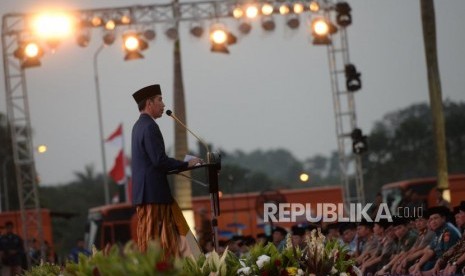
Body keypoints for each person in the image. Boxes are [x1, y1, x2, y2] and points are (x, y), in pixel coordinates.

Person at [131, 84, 202, 258]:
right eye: (160, 100)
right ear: (149, 103)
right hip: (154, 196)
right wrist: (187, 164)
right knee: (156, 245)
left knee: (157, 241)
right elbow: (159, 160)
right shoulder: (150, 127)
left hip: (147, 195)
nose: (163, 105)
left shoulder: (138, 126)